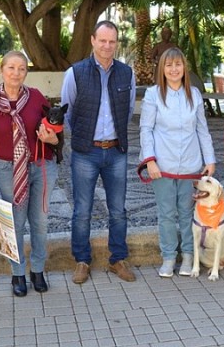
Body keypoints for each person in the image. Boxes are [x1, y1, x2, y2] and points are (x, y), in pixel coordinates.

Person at [0, 51, 60, 297]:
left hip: (42, 166)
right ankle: (17, 274)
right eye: (11, 68)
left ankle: (38, 270)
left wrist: (53, 137)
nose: (16, 73)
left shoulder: (35, 97)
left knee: (40, 222)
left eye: (22, 68)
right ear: (1, 70)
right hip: (8, 169)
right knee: (15, 223)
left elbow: (54, 129)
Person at [60, 20, 137, 284]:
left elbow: (126, 112)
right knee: (82, 210)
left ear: (117, 43)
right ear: (92, 40)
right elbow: (67, 113)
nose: (107, 46)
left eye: (112, 41)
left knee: (118, 210)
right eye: (102, 40)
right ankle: (82, 261)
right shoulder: (75, 73)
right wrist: (85, 138)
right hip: (85, 153)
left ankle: (118, 260)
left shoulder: (127, 73)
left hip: (116, 151)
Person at [139, 48, 216, 278]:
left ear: (184, 67)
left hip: (191, 166)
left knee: (187, 213)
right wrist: (149, 160)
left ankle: (189, 256)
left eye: (178, 65)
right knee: (166, 213)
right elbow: (146, 130)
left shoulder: (193, 93)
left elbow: (202, 129)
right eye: (169, 65)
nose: (174, 69)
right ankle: (169, 257)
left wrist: (209, 159)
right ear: (162, 69)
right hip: (162, 166)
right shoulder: (153, 95)